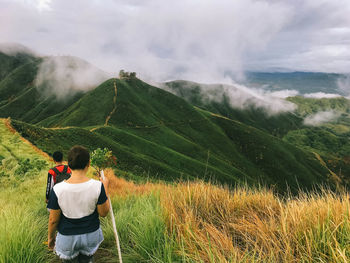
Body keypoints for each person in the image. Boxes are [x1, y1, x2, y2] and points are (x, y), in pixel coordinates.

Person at [47, 145, 110, 263]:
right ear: (88, 163)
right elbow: (103, 213)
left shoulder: (58, 189)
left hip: (67, 238)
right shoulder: (97, 186)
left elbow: (53, 220)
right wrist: (105, 188)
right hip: (91, 235)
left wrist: (51, 238)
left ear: (68, 164)